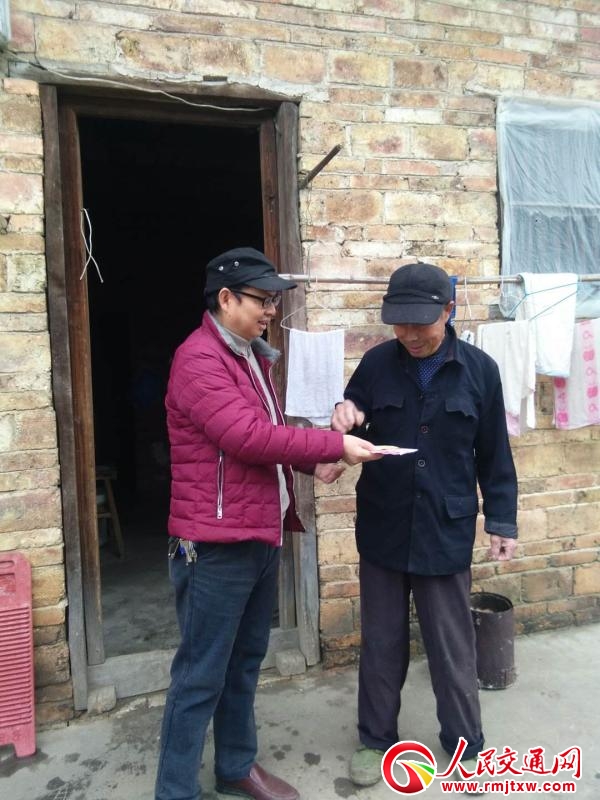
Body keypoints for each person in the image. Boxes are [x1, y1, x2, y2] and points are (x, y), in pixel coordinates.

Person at [154, 246, 380, 800]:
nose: (272, 311)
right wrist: (333, 445)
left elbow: (269, 435)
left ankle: (235, 766)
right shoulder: (198, 359)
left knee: (244, 663)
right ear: (225, 299)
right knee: (201, 674)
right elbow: (246, 437)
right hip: (214, 545)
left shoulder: (250, 357)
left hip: (258, 532)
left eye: (274, 301)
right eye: (262, 300)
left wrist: (312, 463)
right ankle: (175, 791)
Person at [331, 262, 518, 789]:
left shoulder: (480, 371)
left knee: (452, 645)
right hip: (384, 525)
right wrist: (346, 411)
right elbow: (354, 406)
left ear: (449, 311)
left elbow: (495, 455)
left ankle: (464, 744)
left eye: (422, 323)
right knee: (381, 642)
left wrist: (501, 521)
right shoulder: (376, 363)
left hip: (445, 527)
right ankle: (375, 740)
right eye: (400, 323)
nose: (410, 334)